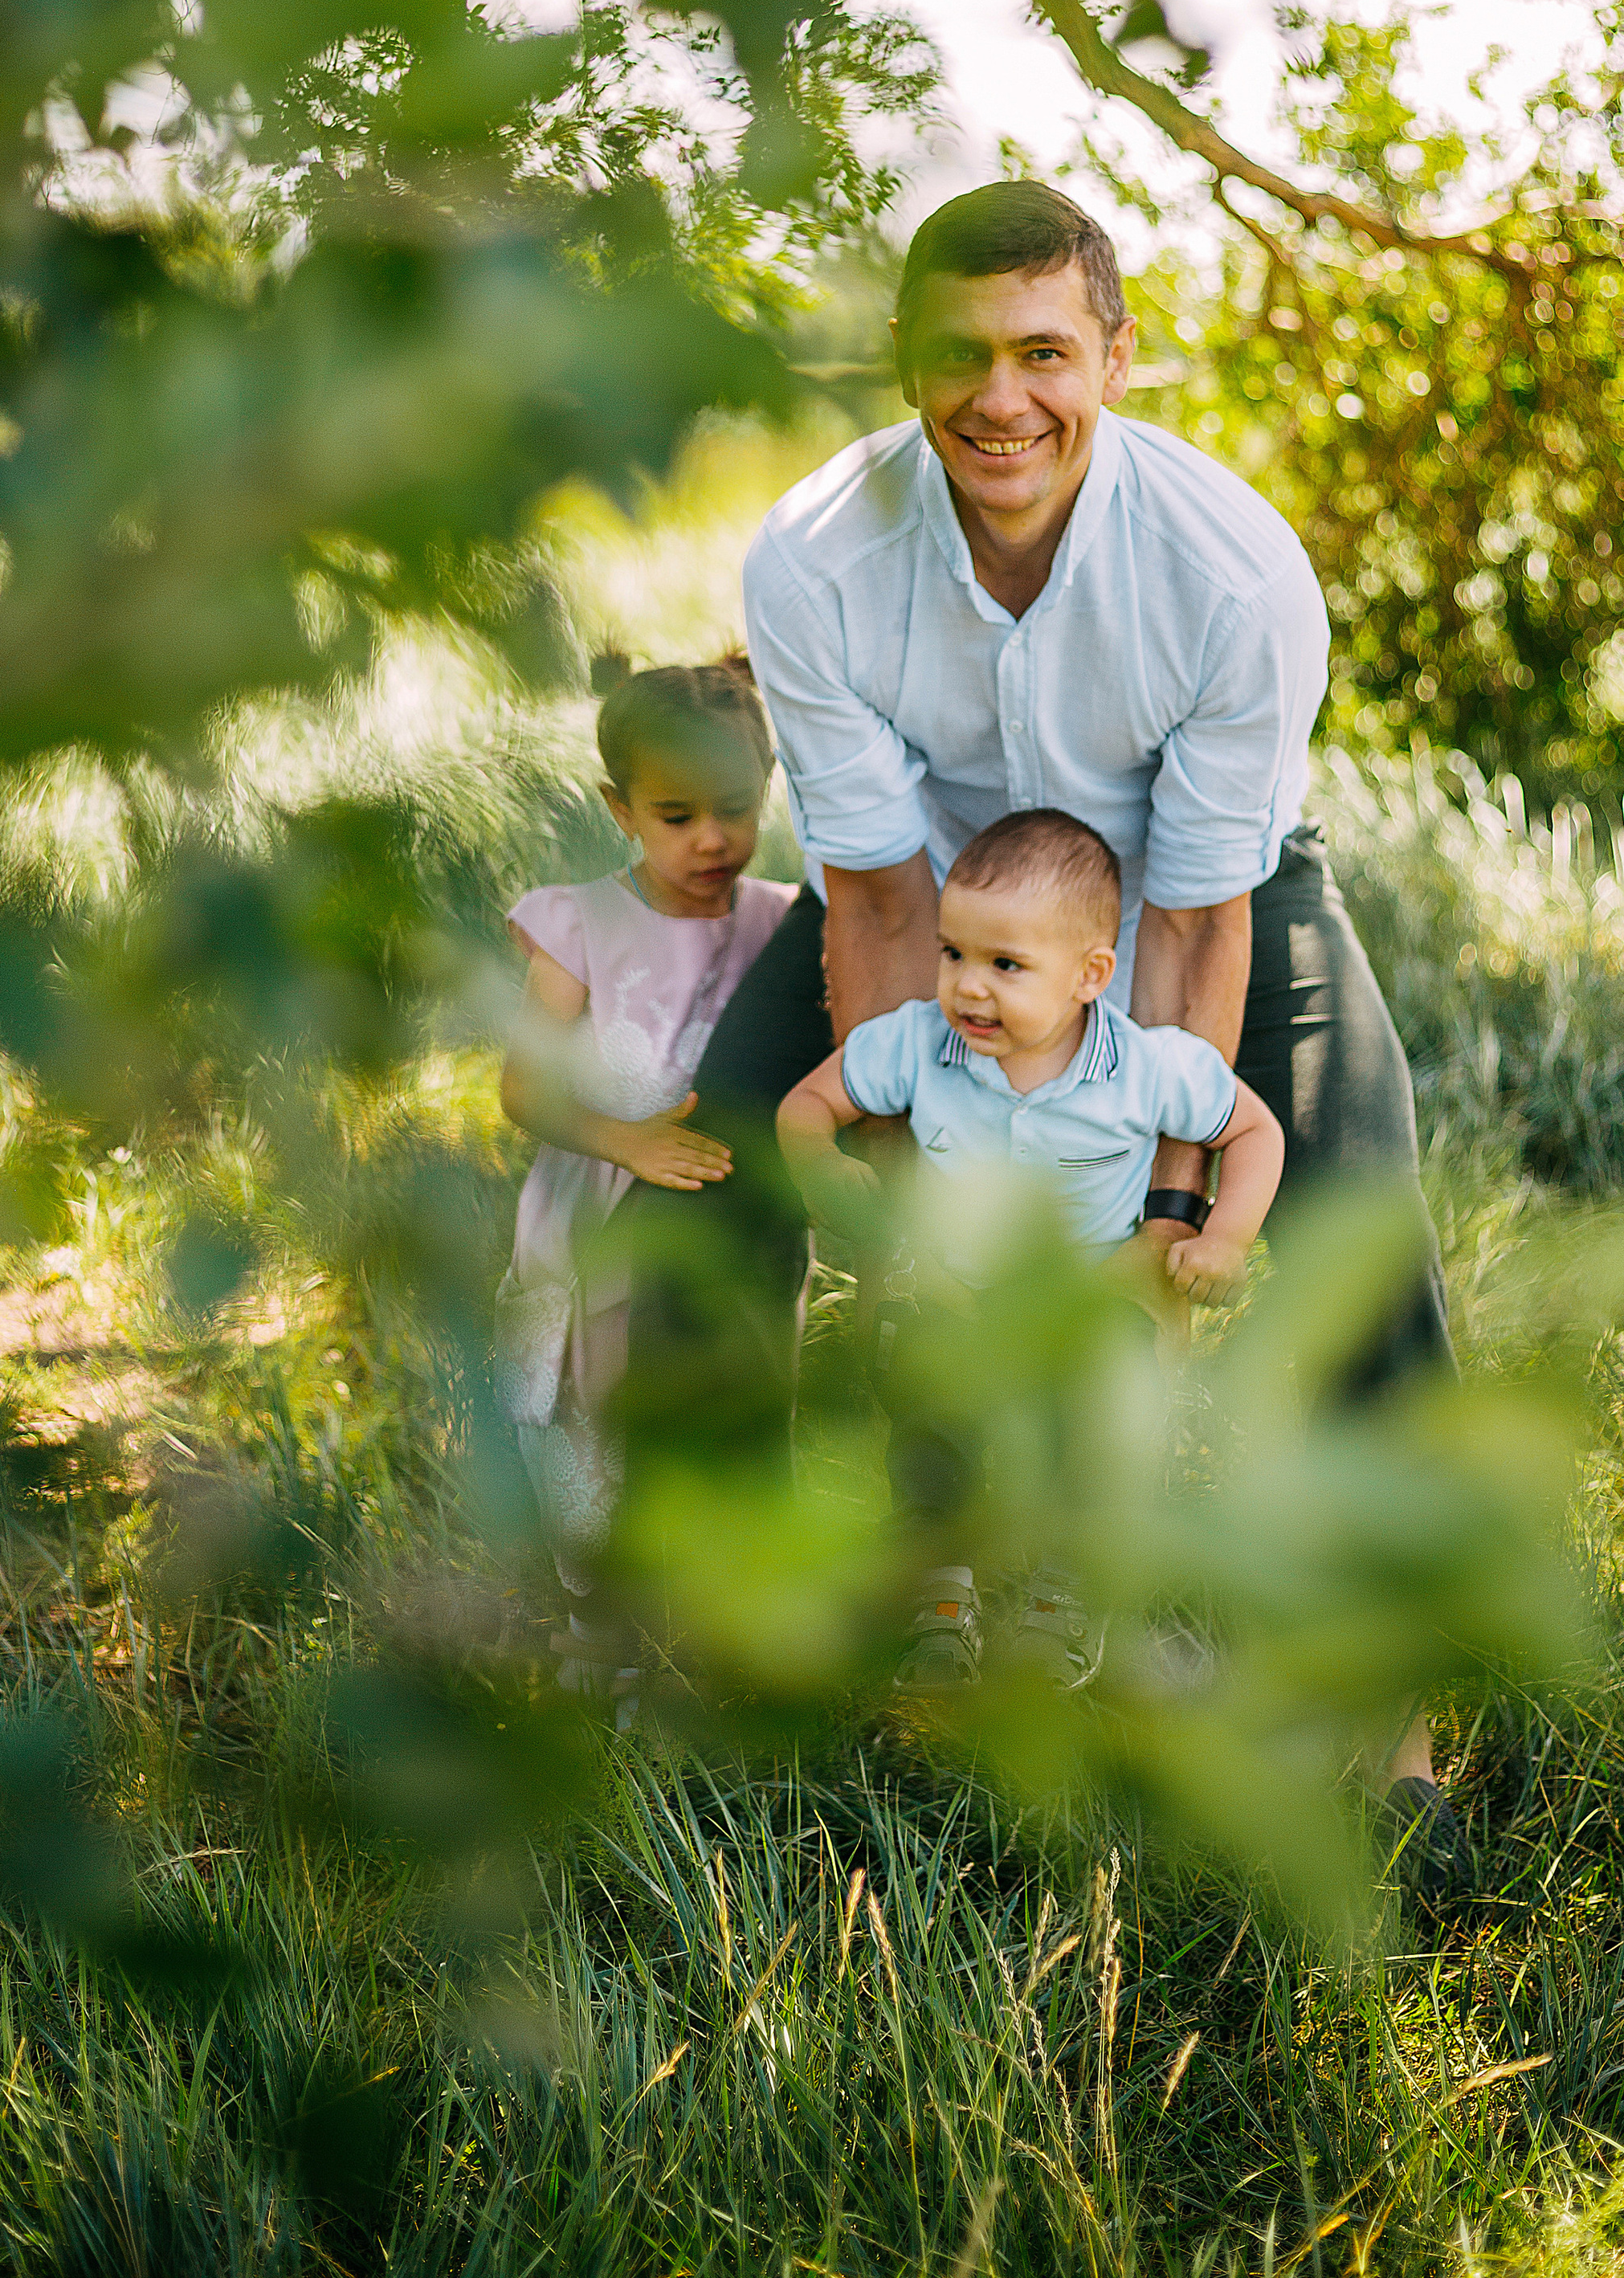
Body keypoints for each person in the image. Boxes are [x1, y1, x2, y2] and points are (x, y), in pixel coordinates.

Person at [591, 176, 1460, 1862]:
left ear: (1115, 358)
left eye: (1044, 351)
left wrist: (1155, 1210)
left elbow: (1198, 917)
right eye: (961, 355)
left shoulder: (1229, 577)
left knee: (1351, 1188)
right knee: (703, 1171)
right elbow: (870, 899)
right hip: (940, 905)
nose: (1003, 399)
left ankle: (1393, 1698)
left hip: (1212, 892)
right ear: (904, 361)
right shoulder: (814, 558)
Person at [777, 806, 1283, 1686]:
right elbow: (807, 1106)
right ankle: (939, 1590)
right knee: (925, 1392)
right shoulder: (917, 1045)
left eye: (1005, 966)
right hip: (959, 1286)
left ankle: (1064, 1590)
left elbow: (1254, 1132)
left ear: (1091, 975)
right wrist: (822, 1165)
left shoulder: (1147, 1068)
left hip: (1084, 1291)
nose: (969, 988)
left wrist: (1225, 1237)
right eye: (953, 954)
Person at [494, 652, 794, 1712]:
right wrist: (627, 1143)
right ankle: (602, 1624)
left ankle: (719, 1625)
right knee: (603, 1415)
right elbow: (523, 1089)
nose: (710, 840)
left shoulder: (778, 919)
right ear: (619, 807)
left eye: (734, 808)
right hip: (606, 1220)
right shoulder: (581, 923)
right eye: (675, 816)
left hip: (724, 1230)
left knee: (723, 1409)